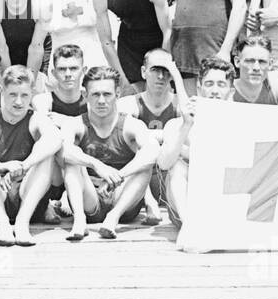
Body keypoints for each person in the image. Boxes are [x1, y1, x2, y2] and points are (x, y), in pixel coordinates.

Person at [0, 65, 64, 247]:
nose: (18, 102)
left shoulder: (36, 119)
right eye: (12, 95)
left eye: (24, 95)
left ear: (31, 94)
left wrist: (25, 165)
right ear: (1, 90)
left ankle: (22, 225)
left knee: (46, 153)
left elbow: (55, 138)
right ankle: (2, 225)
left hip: (30, 202)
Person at [60, 66, 159, 241]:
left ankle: (112, 218)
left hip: (123, 199)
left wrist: (118, 176)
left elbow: (153, 151)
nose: (101, 101)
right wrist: (97, 165)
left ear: (118, 94)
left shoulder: (130, 125)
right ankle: (79, 220)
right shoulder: (76, 124)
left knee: (145, 165)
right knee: (72, 160)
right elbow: (63, 151)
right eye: (95, 95)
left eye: (107, 94)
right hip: (90, 199)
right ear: (85, 95)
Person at [156, 56, 234, 227]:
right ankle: (188, 227)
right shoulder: (177, 123)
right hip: (185, 207)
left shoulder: (240, 125)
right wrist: (186, 126)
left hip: (220, 204)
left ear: (231, 91)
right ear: (199, 88)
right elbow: (163, 163)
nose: (214, 90)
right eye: (209, 84)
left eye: (221, 85)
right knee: (178, 166)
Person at [117, 47, 183, 224]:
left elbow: (191, 128)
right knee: (137, 145)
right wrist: (163, 136)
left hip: (169, 178)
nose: (161, 77)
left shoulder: (180, 104)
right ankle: (149, 202)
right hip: (138, 182)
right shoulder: (129, 105)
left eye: (166, 70)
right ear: (143, 72)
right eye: (155, 70)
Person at [95, 0, 171, 92]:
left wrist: (163, 66)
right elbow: (106, 42)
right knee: (132, 98)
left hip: (158, 43)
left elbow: (168, 30)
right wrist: (122, 79)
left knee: (160, 94)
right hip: (129, 46)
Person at [230, 35, 278, 106]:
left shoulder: (275, 81)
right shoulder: (227, 89)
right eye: (250, 61)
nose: (256, 68)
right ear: (237, 62)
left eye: (262, 62)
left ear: (270, 64)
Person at [32, 42, 89, 121]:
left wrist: (63, 119)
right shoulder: (43, 101)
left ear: (83, 71)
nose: (68, 74)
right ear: (54, 73)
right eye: (62, 69)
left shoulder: (91, 100)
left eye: (73, 69)